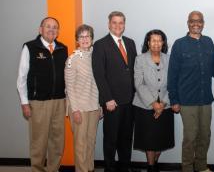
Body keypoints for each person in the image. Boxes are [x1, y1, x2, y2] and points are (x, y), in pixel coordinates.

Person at [16, 17, 68, 172]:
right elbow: (21, 77)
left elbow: (66, 75)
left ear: (58, 32)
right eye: (48, 26)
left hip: (59, 101)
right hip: (38, 102)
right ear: (40, 29)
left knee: (57, 141)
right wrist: (25, 103)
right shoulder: (30, 47)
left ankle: (53, 169)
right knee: (38, 142)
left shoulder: (62, 49)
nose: (51, 30)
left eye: (55, 27)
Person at [167, 11, 214, 172]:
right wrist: (174, 100)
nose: (196, 23)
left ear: (203, 23)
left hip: (206, 100)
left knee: (205, 136)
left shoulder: (208, 42)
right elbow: (172, 74)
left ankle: (201, 166)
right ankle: (187, 168)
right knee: (190, 137)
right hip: (187, 101)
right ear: (188, 23)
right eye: (193, 21)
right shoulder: (179, 44)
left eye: (199, 21)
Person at [92, 11, 137, 172]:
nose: (118, 26)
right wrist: (107, 99)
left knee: (126, 138)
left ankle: (125, 167)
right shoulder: (100, 44)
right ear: (109, 24)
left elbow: (133, 71)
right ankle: (109, 169)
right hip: (112, 102)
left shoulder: (130, 43)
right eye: (114, 22)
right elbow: (99, 74)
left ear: (124, 25)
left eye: (121, 23)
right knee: (111, 139)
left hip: (130, 101)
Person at [133, 29, 174, 172]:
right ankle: (151, 167)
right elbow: (138, 83)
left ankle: (154, 164)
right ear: (148, 43)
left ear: (163, 43)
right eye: (153, 40)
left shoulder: (169, 59)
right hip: (145, 106)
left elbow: (174, 83)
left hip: (165, 106)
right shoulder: (140, 59)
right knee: (149, 141)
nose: (156, 43)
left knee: (161, 140)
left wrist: (163, 103)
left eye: (159, 40)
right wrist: (153, 103)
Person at [65, 24, 101, 172]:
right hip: (79, 107)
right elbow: (69, 87)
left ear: (92, 39)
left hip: (94, 106)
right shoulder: (72, 59)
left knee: (91, 141)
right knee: (81, 143)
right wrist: (75, 110)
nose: (85, 39)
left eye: (88, 36)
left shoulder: (96, 56)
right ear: (77, 40)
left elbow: (98, 83)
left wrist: (99, 106)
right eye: (82, 36)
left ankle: (89, 168)